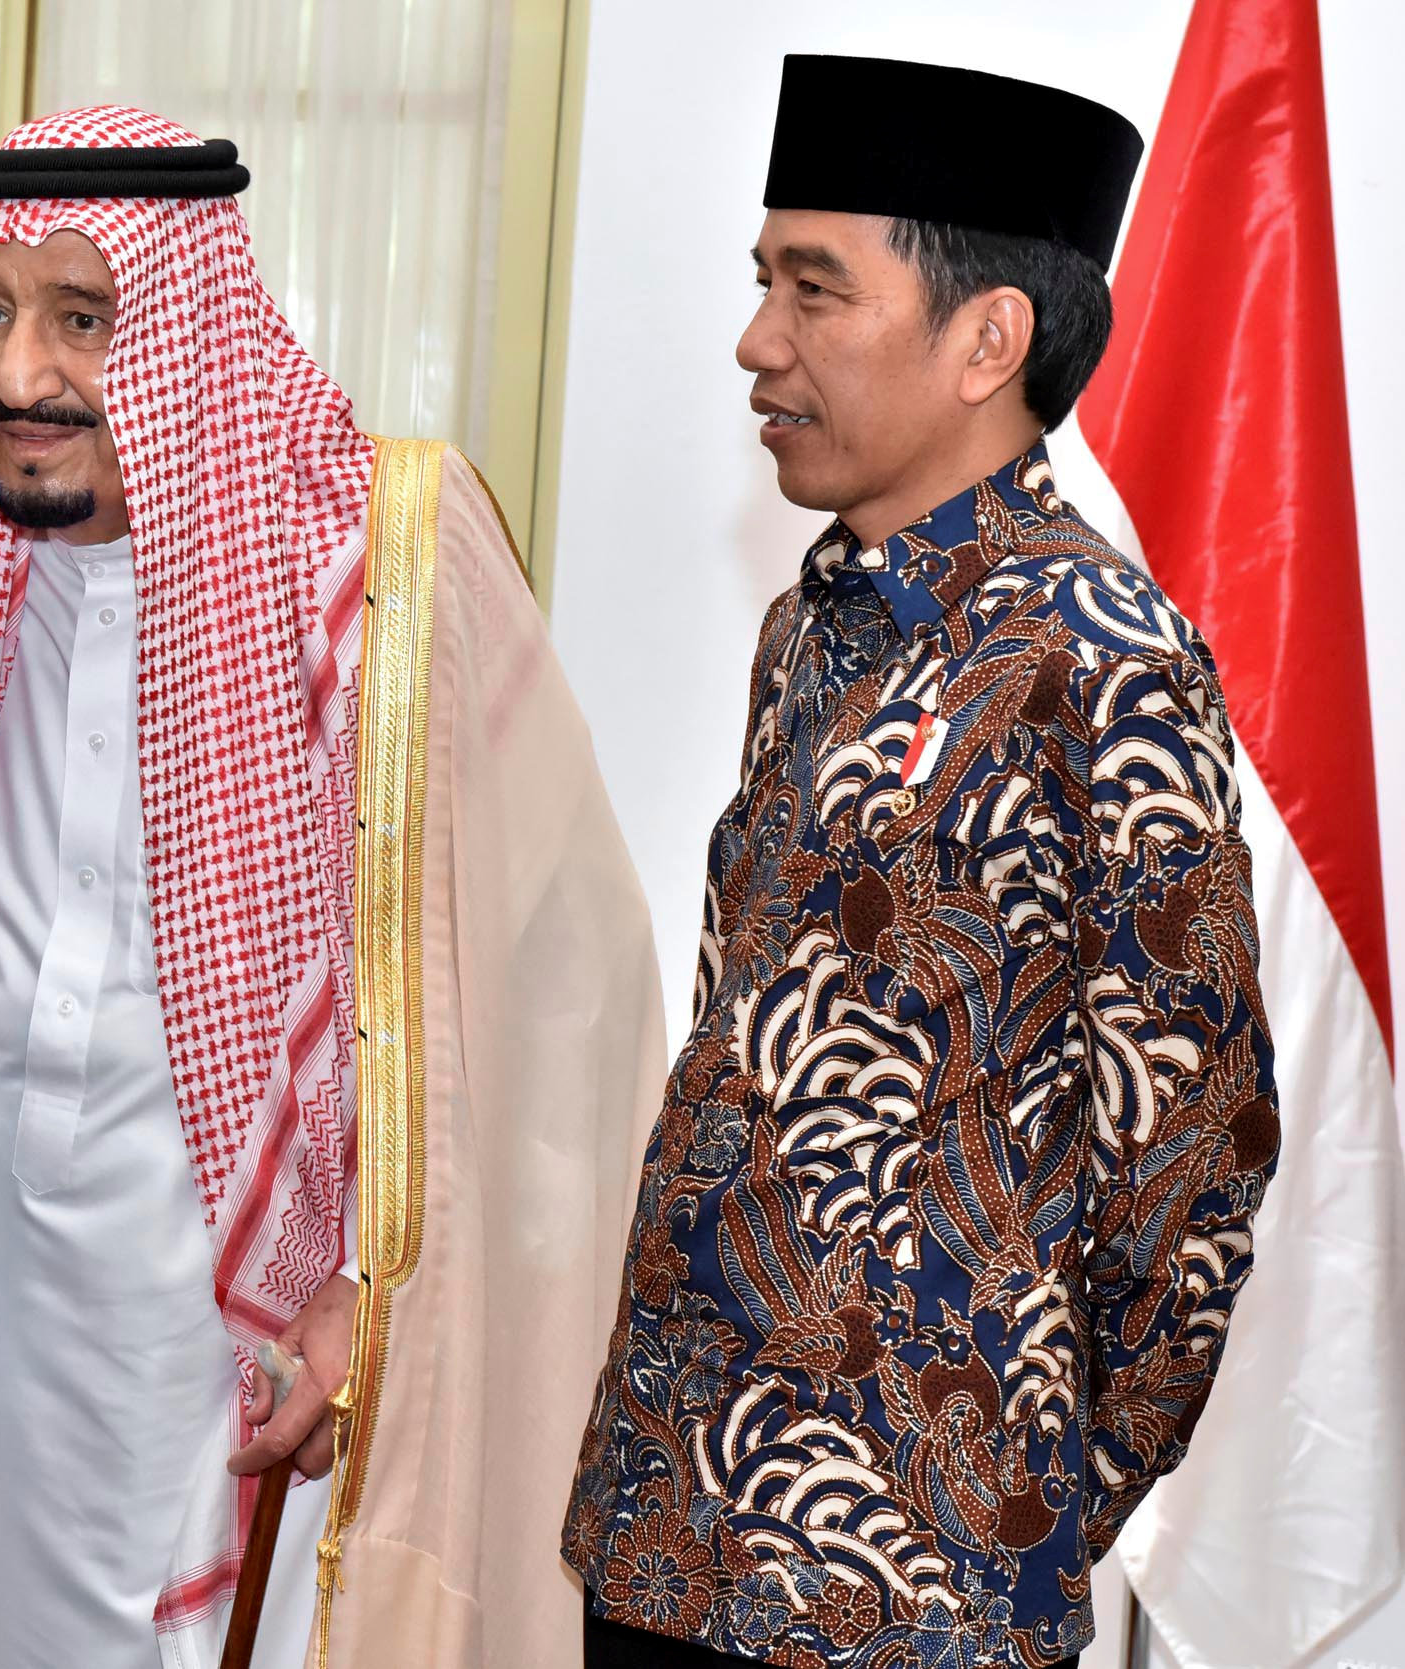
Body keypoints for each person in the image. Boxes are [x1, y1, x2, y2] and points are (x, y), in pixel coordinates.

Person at [0, 105, 665, 1667]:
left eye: (84, 318)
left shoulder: (386, 564)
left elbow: (555, 983)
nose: (19, 375)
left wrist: (381, 1284)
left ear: (181, 322)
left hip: (248, 1309)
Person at [564, 56, 1278, 1669]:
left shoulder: (1104, 656)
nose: (759, 341)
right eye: (765, 284)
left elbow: (1196, 1151)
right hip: (671, 1524)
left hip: (913, 1595)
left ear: (987, 340)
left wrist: (1031, 1494)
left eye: (818, 289)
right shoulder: (808, 630)